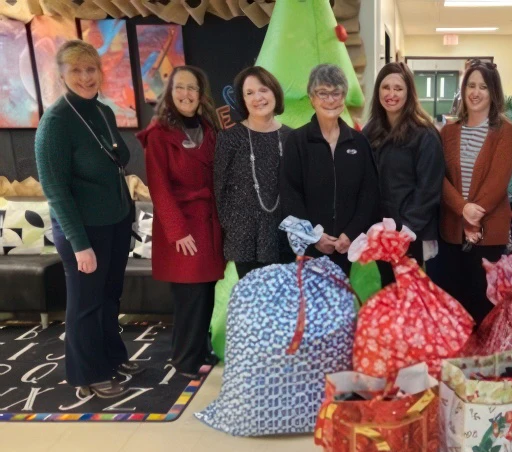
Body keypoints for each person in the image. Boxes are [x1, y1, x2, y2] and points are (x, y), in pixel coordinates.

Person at [34, 40, 143, 398]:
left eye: (91, 69)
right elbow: (56, 192)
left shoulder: (102, 112)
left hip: (114, 220)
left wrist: (126, 215)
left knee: (110, 296)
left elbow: (116, 160)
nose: (85, 77)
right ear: (62, 75)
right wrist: (80, 245)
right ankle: (88, 373)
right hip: (83, 230)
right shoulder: (55, 123)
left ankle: (111, 355)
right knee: (85, 304)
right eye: (77, 70)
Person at [136, 66, 225, 380]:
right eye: (180, 88)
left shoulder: (210, 128)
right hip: (184, 226)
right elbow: (159, 188)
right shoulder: (159, 133)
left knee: (206, 292)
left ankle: (199, 349)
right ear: (170, 94)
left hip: (211, 224)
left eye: (192, 88)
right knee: (189, 296)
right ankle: (185, 359)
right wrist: (177, 231)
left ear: (201, 95)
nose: (186, 94)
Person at [434, 60, 512, 326]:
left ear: (494, 92)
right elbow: (441, 178)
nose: (476, 92)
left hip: (488, 230)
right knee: (454, 302)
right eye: (471, 85)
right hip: (451, 230)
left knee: (482, 303)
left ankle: (482, 363)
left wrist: (473, 217)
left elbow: (498, 181)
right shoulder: (449, 130)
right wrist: (463, 210)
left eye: (483, 86)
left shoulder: (505, 130)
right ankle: (459, 358)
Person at [280, 64, 379, 275]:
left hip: (347, 247)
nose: (330, 99)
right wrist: (313, 237)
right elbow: (290, 195)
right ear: (311, 98)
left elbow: (369, 194)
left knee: (342, 303)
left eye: (336, 93)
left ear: (344, 97)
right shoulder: (297, 141)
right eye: (322, 93)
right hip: (309, 248)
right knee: (311, 306)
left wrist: (350, 234)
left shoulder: (359, 142)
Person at [363, 62, 445, 285]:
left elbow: (428, 189)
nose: (391, 94)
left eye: (398, 88)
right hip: (380, 233)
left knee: (411, 299)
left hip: (411, 234)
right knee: (388, 290)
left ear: (409, 92)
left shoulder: (424, 134)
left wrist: (405, 232)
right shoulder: (370, 132)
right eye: (385, 87)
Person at [214, 66, 293, 280]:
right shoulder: (229, 139)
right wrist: (233, 229)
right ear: (242, 100)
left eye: (263, 90)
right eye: (249, 93)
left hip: (285, 237)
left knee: (283, 307)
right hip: (245, 240)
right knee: (254, 309)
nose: (257, 97)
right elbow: (220, 191)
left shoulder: (292, 137)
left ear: (274, 92)